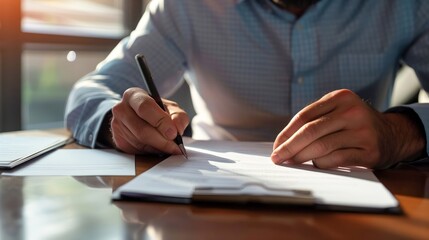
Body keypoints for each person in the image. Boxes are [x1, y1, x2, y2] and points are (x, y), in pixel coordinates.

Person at [65, 0, 429, 169]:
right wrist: (121, 124)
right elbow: (92, 90)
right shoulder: (185, 7)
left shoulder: (406, 5)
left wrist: (399, 132)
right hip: (205, 199)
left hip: (362, 203)